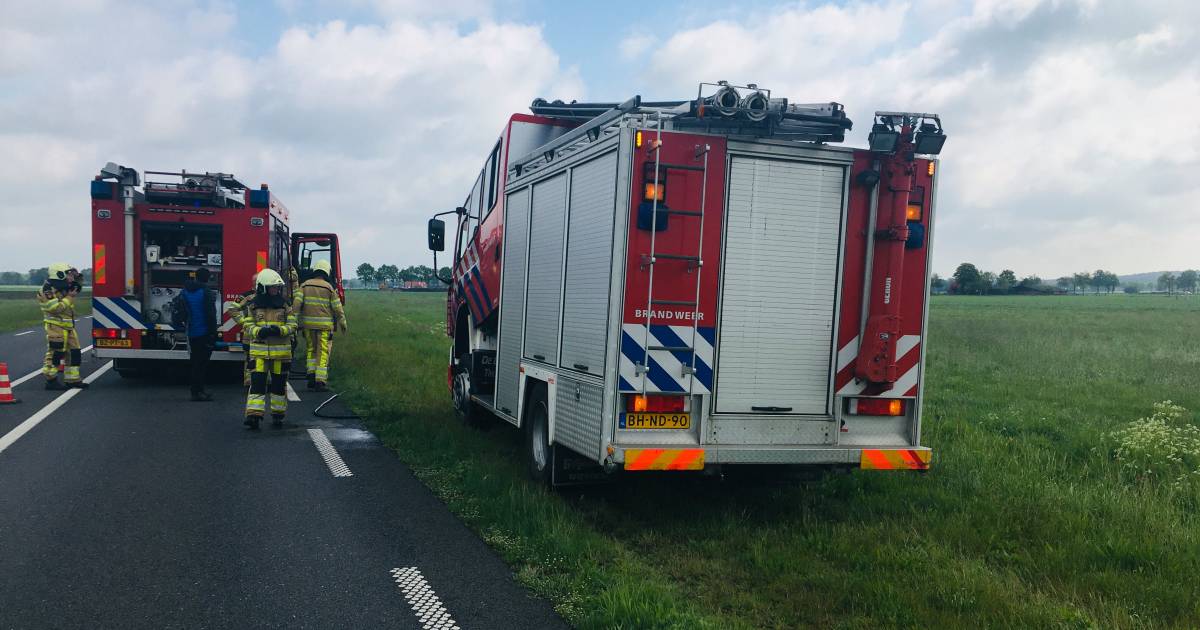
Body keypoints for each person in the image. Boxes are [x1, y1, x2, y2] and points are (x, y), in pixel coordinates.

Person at [242, 269, 297, 430]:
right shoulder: (253, 306)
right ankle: (253, 415)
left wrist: (281, 330)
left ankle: (278, 415)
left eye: (277, 287)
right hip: (259, 353)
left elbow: (293, 324)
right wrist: (258, 331)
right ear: (263, 287)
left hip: (280, 354)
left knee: (278, 386)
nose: (276, 290)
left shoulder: (285, 304)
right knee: (257, 384)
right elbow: (247, 324)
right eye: (272, 287)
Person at [295, 259, 347, 391]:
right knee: (322, 352)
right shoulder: (329, 287)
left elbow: (296, 305)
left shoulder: (304, 285)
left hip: (308, 326)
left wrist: (294, 323)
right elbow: (337, 308)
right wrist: (342, 322)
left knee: (311, 350)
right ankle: (320, 381)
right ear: (326, 272)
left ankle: (311, 376)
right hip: (324, 327)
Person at [38, 263, 86, 390]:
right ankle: (51, 380)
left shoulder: (64, 286)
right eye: (68, 274)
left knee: (74, 353)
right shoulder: (47, 290)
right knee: (56, 354)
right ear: (60, 274)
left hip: (69, 327)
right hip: (55, 327)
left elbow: (77, 287)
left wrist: (78, 276)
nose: (71, 277)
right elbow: (55, 308)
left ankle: (72, 380)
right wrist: (70, 297)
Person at [176, 267, 218, 401]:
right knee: (201, 364)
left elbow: (180, 310)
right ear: (206, 278)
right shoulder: (206, 292)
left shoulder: (185, 291)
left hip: (191, 331)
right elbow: (211, 315)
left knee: (195, 362)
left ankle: (196, 390)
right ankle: (198, 391)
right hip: (204, 331)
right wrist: (213, 332)